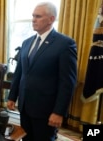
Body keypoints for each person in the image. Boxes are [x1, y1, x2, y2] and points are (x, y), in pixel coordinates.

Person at [7, 2, 77, 141]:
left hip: (46, 110)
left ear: (51, 19)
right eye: (33, 16)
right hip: (25, 106)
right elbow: (19, 73)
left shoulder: (65, 44)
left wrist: (58, 112)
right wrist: (12, 96)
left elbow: (67, 82)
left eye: (38, 16)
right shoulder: (26, 42)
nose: (33, 19)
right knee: (25, 138)